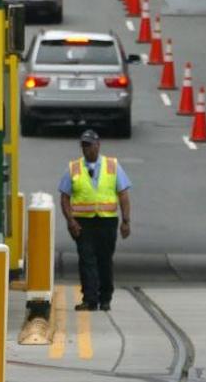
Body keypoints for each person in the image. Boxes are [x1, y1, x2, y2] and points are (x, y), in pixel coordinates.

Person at [59, 129, 132, 311]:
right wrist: (70, 221)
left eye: (89, 145)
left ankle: (105, 298)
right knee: (86, 259)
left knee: (105, 260)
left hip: (107, 221)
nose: (87, 150)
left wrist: (126, 221)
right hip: (83, 223)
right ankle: (90, 299)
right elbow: (64, 197)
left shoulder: (112, 166)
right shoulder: (74, 168)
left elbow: (123, 194)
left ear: (98, 145)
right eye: (84, 146)